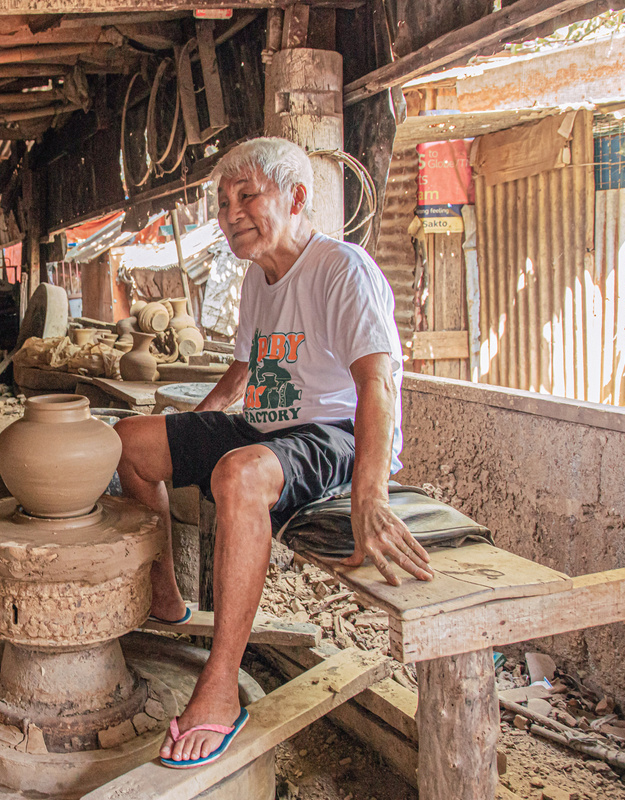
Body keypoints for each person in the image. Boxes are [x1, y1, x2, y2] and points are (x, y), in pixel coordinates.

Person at [113, 137, 435, 769]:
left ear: (296, 198)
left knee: (238, 474)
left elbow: (377, 383)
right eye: (223, 201)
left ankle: (220, 686)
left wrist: (371, 495)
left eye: (247, 196)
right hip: (268, 431)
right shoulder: (257, 279)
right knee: (130, 439)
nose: (231, 213)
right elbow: (241, 375)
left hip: (335, 434)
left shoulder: (342, 269)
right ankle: (167, 601)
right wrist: (186, 437)